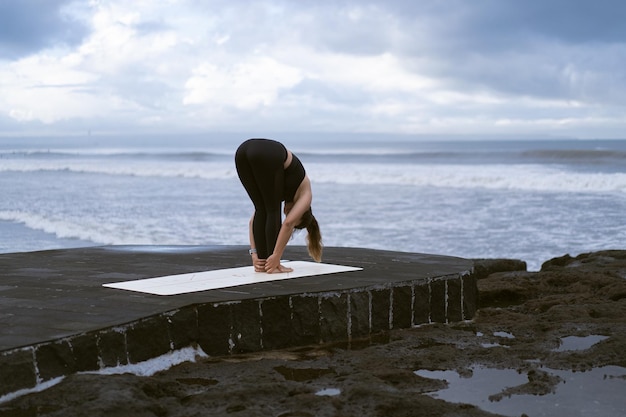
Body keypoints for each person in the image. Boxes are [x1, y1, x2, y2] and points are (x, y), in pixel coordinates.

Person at [235, 138, 322, 273]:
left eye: (287, 214)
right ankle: (273, 265)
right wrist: (276, 256)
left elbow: (252, 221)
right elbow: (287, 224)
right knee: (272, 210)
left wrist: (254, 254)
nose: (286, 212)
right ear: (303, 211)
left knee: (262, 209)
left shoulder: (278, 192)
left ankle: (264, 263)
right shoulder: (306, 195)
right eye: (291, 212)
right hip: (268, 152)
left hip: (242, 152)